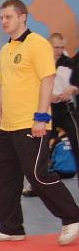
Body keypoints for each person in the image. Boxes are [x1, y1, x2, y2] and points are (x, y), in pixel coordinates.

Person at [0, 0, 79, 245]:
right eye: (1, 18)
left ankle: (72, 218)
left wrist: (41, 117)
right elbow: (1, 86)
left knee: (38, 175)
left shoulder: (37, 44)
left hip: (31, 123)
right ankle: (10, 227)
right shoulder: (5, 50)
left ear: (22, 17)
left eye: (8, 17)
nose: (3, 21)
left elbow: (47, 81)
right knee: (5, 177)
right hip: (8, 125)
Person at [49, 33, 79, 179]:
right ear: (49, 46)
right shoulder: (41, 63)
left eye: (62, 47)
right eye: (56, 47)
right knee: (41, 146)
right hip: (47, 108)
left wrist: (72, 89)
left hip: (66, 108)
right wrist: (48, 96)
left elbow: (76, 85)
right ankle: (36, 183)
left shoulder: (70, 63)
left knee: (76, 143)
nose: (59, 51)